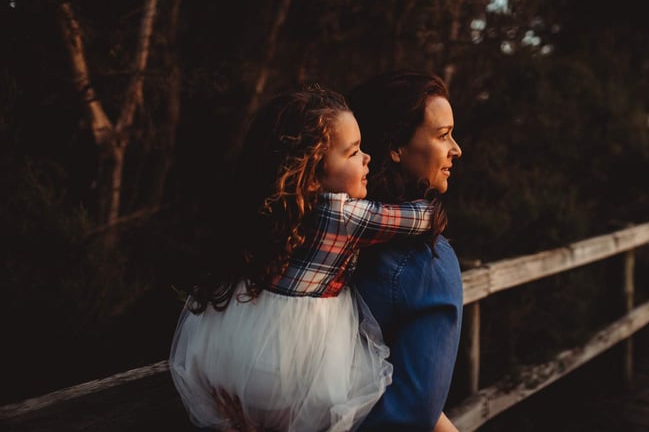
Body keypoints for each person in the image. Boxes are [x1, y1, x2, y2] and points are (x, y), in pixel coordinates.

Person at [169, 86, 447, 431]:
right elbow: (424, 218)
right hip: (295, 364)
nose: (367, 158)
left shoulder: (272, 210)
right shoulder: (345, 216)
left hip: (231, 344)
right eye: (353, 152)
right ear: (315, 170)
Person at [348, 71, 464, 432]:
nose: (456, 149)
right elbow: (413, 413)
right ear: (396, 146)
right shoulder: (427, 261)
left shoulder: (324, 230)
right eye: (443, 135)